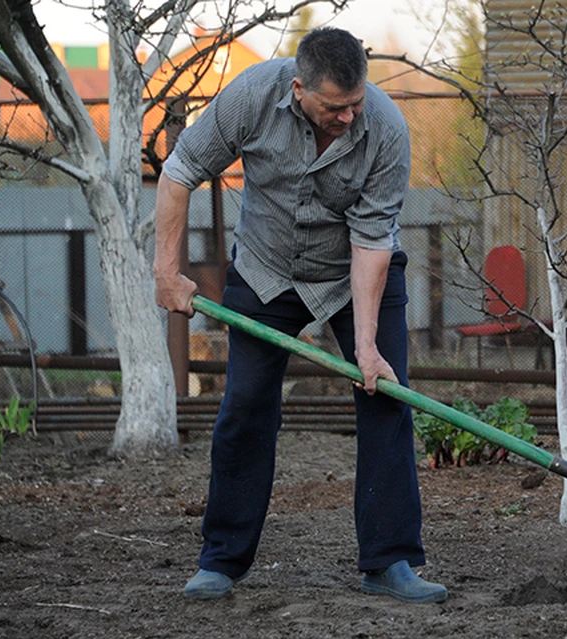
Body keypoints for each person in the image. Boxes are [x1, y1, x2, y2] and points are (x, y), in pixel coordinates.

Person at [153, 27, 446, 604]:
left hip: (354, 274)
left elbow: (372, 239)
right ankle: (221, 560)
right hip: (266, 271)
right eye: (335, 107)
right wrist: (167, 272)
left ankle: (390, 561)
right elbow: (180, 171)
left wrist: (366, 346)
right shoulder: (253, 97)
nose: (347, 116)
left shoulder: (384, 126)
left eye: (355, 103)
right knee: (245, 407)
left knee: (386, 396)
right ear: (299, 89)